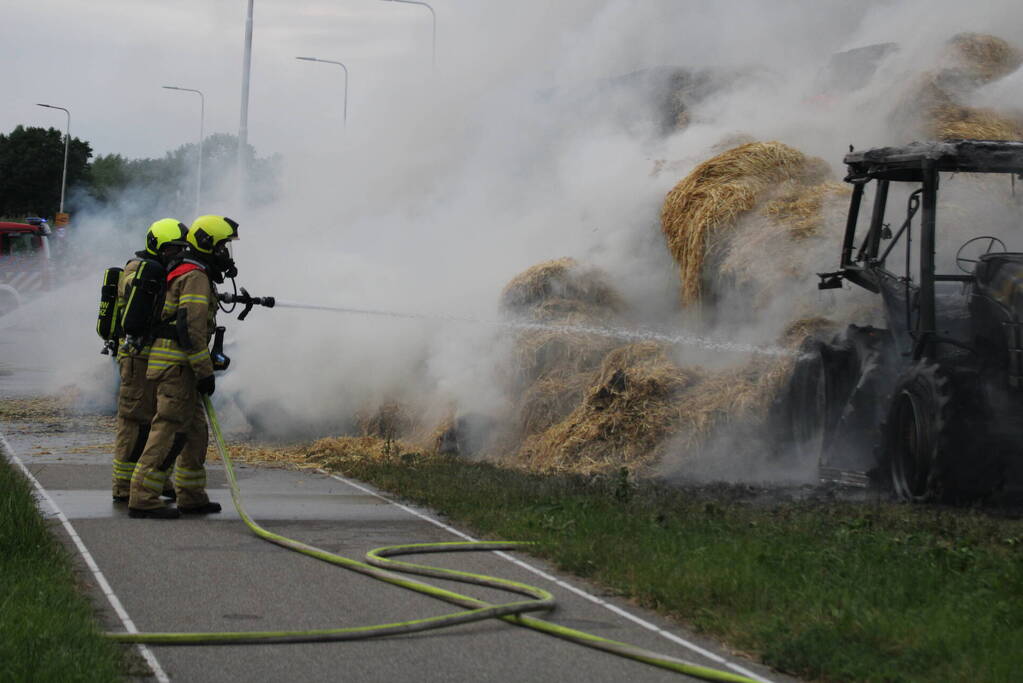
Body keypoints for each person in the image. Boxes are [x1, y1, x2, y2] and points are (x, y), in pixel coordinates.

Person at [128, 215, 239, 519]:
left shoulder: (193, 272)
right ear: (207, 244)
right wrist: (204, 372)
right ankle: (143, 497)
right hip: (177, 365)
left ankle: (191, 495)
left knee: (195, 431)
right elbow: (191, 329)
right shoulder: (195, 277)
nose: (226, 254)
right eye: (222, 247)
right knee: (168, 430)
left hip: (182, 364)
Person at [111, 219, 188, 503]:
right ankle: (123, 485)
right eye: (172, 249)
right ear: (157, 246)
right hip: (136, 358)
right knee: (135, 422)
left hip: (155, 358)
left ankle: (153, 479)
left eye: (181, 249)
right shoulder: (137, 270)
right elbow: (132, 292)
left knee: (158, 422)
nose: (177, 255)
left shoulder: (164, 272)